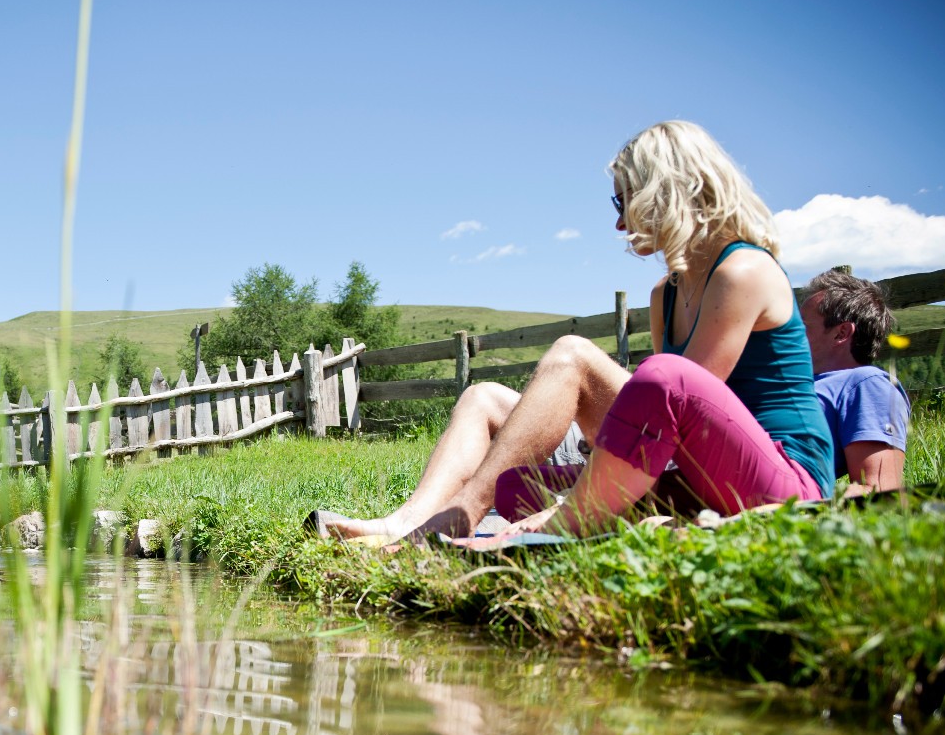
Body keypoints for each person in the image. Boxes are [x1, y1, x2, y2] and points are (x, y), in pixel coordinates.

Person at [312, 121, 833, 543]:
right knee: (485, 398)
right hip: (697, 467)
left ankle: (466, 514)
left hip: (781, 481)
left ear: (665, 191)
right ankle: (406, 522)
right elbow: (662, 416)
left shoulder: (742, 271)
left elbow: (679, 392)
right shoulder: (666, 293)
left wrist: (573, 499)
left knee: (579, 356)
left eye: (622, 199)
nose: (619, 221)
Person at [801, 269, 908, 495]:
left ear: (841, 333)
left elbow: (877, 491)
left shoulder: (866, 384)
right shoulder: (801, 381)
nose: (791, 334)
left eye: (803, 326)